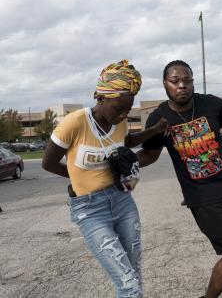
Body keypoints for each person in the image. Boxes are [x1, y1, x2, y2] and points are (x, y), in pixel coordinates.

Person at [137, 60, 222, 298]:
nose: (182, 86)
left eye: (187, 81)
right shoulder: (159, 118)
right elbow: (149, 154)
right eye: (175, 81)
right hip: (202, 196)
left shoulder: (210, 103)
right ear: (165, 84)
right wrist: (121, 163)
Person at [42, 60, 168, 297]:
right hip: (90, 211)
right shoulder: (75, 122)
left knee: (133, 272)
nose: (123, 115)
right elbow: (47, 163)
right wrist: (80, 177)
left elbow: (127, 142)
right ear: (100, 98)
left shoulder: (117, 123)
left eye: (128, 109)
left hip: (122, 201)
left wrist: (154, 130)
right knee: (128, 282)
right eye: (119, 108)